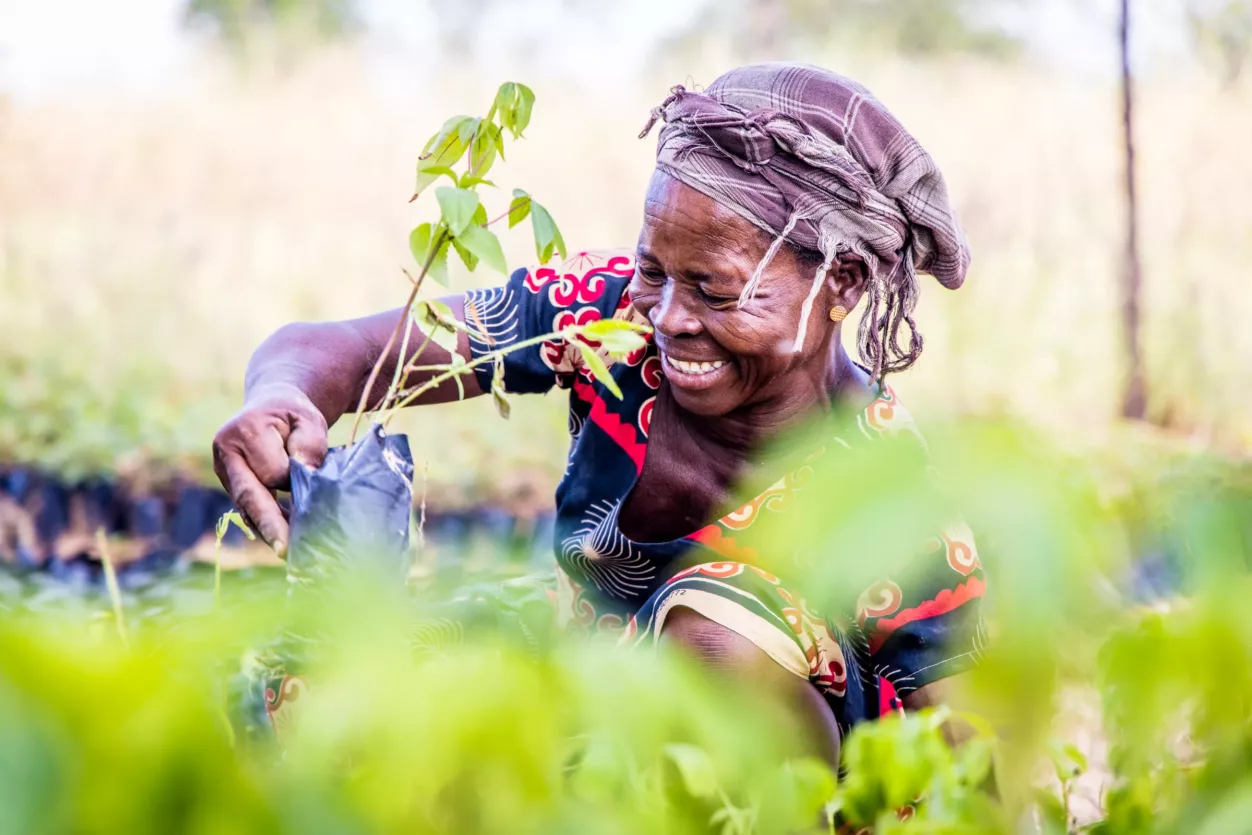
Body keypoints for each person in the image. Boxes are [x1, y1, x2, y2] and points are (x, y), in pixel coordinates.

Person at [213, 63, 985, 765]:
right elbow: (337, 350)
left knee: (718, 625)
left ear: (842, 282)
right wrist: (280, 395)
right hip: (593, 676)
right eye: (655, 270)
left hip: (790, 781)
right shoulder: (604, 323)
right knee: (318, 689)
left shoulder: (888, 487)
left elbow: (968, 756)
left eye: (715, 289)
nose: (671, 317)